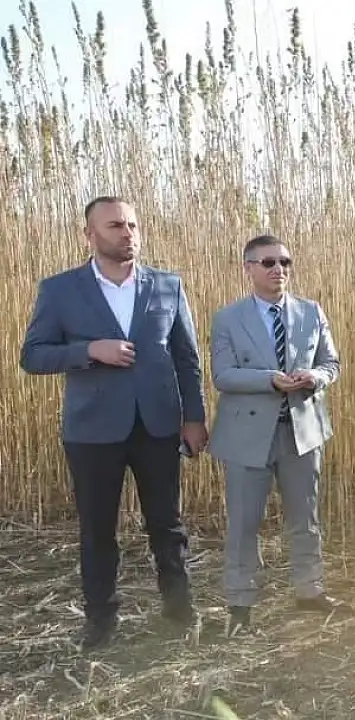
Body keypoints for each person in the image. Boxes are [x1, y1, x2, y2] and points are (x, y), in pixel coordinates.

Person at [19, 195, 208, 648]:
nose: (127, 233)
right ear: (90, 234)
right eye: (115, 226)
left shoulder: (167, 285)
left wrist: (195, 417)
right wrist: (89, 351)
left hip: (158, 425)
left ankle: (179, 612)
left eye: (132, 225)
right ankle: (100, 622)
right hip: (93, 431)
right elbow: (33, 355)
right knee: (98, 530)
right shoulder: (60, 290)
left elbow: (186, 358)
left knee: (167, 525)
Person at [207, 234, 345, 634]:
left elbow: (331, 363)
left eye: (285, 262)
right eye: (268, 262)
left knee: (306, 516)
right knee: (244, 521)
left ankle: (310, 590)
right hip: (248, 434)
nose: (278, 270)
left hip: (302, 430)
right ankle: (240, 601)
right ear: (248, 268)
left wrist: (315, 376)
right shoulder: (228, 318)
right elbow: (223, 375)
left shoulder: (310, 311)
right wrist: (270, 379)